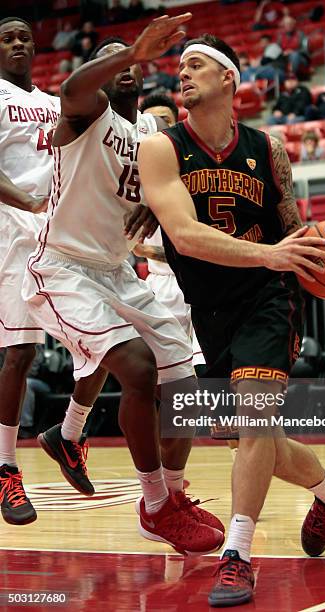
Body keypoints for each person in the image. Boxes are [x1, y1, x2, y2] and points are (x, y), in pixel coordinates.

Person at [138, 34, 325, 607]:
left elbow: (293, 232)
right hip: (208, 309)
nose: (182, 73)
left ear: (229, 79)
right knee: (258, 443)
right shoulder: (161, 148)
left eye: (197, 65)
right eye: (179, 66)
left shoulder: (268, 148)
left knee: (256, 419)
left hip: (266, 295)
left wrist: (311, 265)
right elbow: (182, 234)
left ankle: (237, 556)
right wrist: (269, 252)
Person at [22, 17, 225, 556]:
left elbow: (165, 194)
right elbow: (70, 89)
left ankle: (172, 500)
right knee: (136, 367)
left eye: (132, 61)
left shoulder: (153, 138)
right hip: (64, 267)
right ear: (106, 73)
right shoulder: (88, 114)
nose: (128, 65)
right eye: (115, 59)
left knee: (184, 384)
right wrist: (130, 48)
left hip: (117, 271)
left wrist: (154, 208)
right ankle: (154, 502)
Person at [0, 16, 111, 526]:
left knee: (107, 339)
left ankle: (68, 434)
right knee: (20, 353)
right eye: (7, 37)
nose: (18, 42)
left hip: (63, 233)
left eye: (25, 36)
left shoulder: (52, 103)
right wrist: (27, 201)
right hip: (14, 232)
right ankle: (6, 470)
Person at [136, 93, 206, 373]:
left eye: (164, 121)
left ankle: (210, 418)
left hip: (200, 279)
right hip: (161, 283)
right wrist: (179, 250)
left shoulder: (197, 169)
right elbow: (132, 245)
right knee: (166, 372)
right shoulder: (135, 176)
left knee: (204, 366)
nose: (158, 126)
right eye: (151, 121)